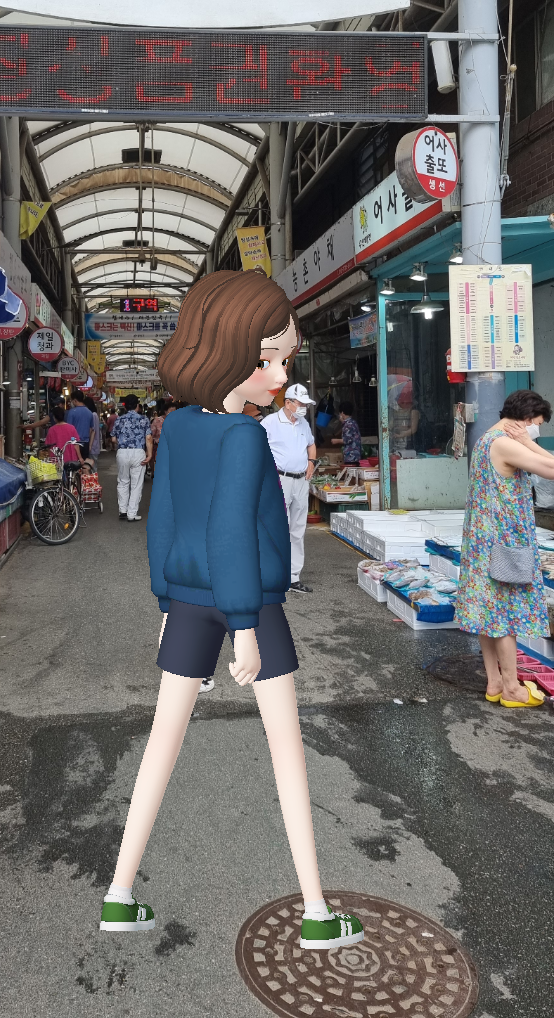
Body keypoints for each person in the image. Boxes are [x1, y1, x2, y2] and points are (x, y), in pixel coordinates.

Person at [100, 269, 363, 952]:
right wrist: (245, 624)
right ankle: (314, 911)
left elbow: (165, 519)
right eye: (270, 357)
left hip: (185, 600)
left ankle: (120, 893)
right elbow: (228, 530)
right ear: (231, 351)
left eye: (284, 358)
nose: (280, 374)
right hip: (249, 604)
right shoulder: (243, 437)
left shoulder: (179, 427)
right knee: (286, 753)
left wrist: (165, 599)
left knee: (162, 741)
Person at [457, 389, 554, 708]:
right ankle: (512, 688)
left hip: (482, 543)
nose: (537, 429)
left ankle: (495, 682)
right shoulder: (507, 444)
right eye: (537, 424)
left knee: (489, 614)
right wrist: (528, 443)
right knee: (504, 616)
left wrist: (526, 442)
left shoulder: (487, 438)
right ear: (525, 420)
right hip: (503, 543)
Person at [260, 383, 317, 594]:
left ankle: (293, 577)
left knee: (298, 530)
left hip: (301, 481)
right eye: (301, 403)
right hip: (279, 480)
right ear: (288, 403)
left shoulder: (303, 423)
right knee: (276, 527)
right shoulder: (270, 422)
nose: (304, 408)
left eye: (305, 404)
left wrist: (311, 461)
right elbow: (257, 449)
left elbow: (310, 444)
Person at [112, 394, 153, 522]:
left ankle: (122, 511)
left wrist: (123, 442)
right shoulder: (144, 419)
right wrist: (150, 454)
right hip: (138, 452)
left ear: (125, 406)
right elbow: (148, 438)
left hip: (123, 452)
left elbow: (113, 439)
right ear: (137, 406)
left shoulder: (119, 419)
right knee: (136, 484)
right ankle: (132, 513)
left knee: (123, 481)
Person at [66, 390, 97, 458]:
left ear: (75, 400)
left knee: (75, 465)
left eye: (72, 400)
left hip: (75, 443)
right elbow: (91, 429)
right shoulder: (89, 412)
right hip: (86, 443)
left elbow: (69, 429)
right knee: (84, 466)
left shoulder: (72, 412)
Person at [83, 395, 102, 466]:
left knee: (91, 466)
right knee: (93, 466)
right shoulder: (95, 415)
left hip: (93, 445)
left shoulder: (92, 415)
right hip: (95, 445)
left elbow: (93, 431)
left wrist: (89, 445)